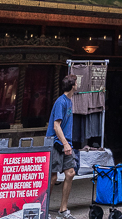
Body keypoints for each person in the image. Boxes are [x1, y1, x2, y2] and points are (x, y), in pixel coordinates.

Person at [46, 75, 78, 219]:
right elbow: (56, 125)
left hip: (66, 143)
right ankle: (43, 208)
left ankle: (63, 209)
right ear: (72, 86)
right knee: (52, 177)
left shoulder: (69, 101)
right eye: (76, 83)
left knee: (70, 173)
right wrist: (65, 143)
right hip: (56, 143)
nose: (78, 85)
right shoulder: (61, 102)